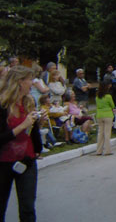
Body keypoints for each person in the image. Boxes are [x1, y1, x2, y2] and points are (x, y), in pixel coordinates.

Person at [0, 65, 44, 221]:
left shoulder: (28, 102)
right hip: (4, 163)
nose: (32, 83)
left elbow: (32, 131)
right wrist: (21, 126)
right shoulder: (3, 105)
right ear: (19, 82)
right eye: (29, 79)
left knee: (28, 208)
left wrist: (38, 147)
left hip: (27, 161)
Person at [95, 82, 115, 155]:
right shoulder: (108, 96)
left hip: (99, 115)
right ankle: (107, 150)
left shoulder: (97, 97)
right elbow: (112, 105)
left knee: (100, 133)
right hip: (108, 114)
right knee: (107, 133)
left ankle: (99, 150)